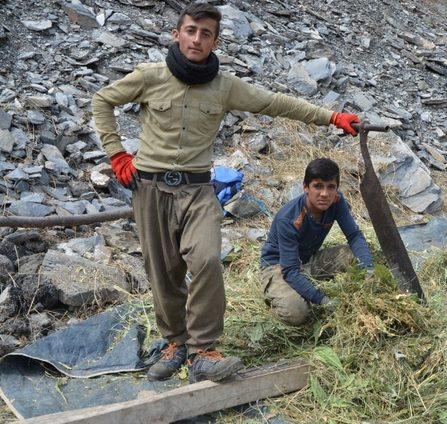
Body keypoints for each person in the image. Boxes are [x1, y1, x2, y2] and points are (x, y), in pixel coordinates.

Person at [92, 3, 361, 383]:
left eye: (205, 34)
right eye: (190, 31)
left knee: (206, 261)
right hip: (149, 189)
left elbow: (275, 103)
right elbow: (102, 100)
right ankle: (175, 344)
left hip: (199, 190)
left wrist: (331, 116)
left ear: (215, 41)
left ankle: (204, 350)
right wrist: (117, 153)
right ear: (177, 34)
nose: (196, 39)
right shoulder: (149, 77)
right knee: (162, 271)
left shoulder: (225, 87)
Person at [260, 158, 373, 326]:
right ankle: (277, 294)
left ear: (337, 188)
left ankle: (307, 286)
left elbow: (354, 236)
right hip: (280, 267)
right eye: (318, 186)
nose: (325, 194)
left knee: (353, 256)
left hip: (308, 260)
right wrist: (323, 300)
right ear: (305, 187)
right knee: (297, 312)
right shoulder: (289, 218)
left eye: (331, 187)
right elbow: (290, 271)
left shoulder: (337, 201)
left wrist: (368, 269)